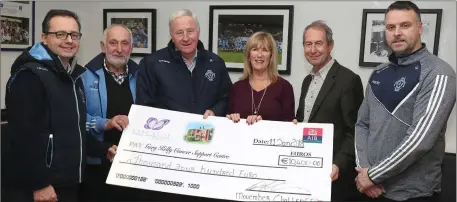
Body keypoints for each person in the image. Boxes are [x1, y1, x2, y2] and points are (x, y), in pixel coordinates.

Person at [4, 9, 117, 202]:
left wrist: (102, 149)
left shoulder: (73, 77)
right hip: (43, 188)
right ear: (44, 38)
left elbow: (74, 131)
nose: (69, 40)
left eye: (74, 35)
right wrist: (39, 183)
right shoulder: (29, 76)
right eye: (60, 34)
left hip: (68, 183)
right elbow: (22, 136)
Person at [355, 1, 456, 201]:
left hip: (413, 194)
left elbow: (420, 141)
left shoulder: (439, 74)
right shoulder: (379, 72)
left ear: (419, 28)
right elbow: (362, 124)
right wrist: (363, 171)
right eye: (391, 27)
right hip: (371, 191)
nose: (397, 32)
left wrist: (373, 176)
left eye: (405, 25)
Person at [292, 20, 364, 201]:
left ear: (330, 45)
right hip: (307, 168)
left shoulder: (348, 80)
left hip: (335, 176)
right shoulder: (307, 81)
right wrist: (295, 124)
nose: (313, 50)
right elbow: (304, 119)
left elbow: (355, 130)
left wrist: (338, 164)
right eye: (308, 44)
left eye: (318, 43)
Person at [79, 24, 142, 201]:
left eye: (125, 43)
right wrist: (105, 123)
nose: (119, 49)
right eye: (113, 43)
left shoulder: (142, 75)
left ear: (132, 47)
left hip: (133, 165)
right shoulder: (84, 75)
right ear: (103, 46)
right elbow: (76, 120)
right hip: (97, 163)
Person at [136, 9, 232, 119]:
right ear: (171, 35)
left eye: (190, 31)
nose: (186, 38)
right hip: (167, 132)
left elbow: (226, 97)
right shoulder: (151, 64)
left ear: (198, 32)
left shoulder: (216, 63)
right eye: (179, 33)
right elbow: (144, 106)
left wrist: (215, 111)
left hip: (204, 130)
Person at [226, 31, 295, 124]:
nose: (259, 55)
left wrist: (264, 124)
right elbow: (227, 122)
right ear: (248, 55)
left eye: (265, 50)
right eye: (255, 49)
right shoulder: (236, 88)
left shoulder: (284, 87)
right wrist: (231, 118)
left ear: (271, 56)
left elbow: (289, 125)